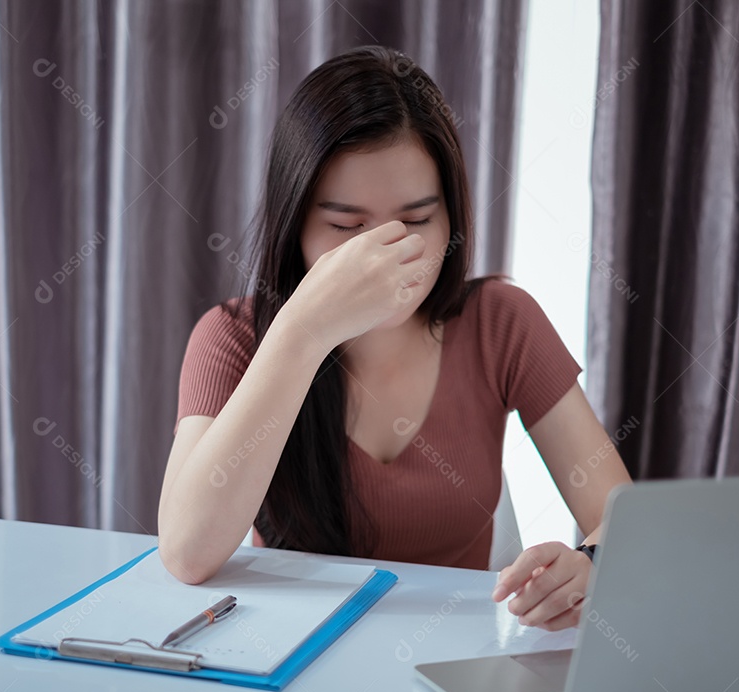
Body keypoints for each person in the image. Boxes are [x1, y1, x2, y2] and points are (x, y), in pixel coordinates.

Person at [158, 45, 632, 630]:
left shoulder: (500, 322)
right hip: (289, 663)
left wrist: (591, 565)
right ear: (294, 223)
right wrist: (303, 333)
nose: (384, 256)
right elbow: (186, 553)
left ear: (451, 218)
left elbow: (622, 520)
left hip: (452, 661)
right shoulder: (232, 338)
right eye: (346, 226)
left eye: (415, 222)